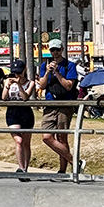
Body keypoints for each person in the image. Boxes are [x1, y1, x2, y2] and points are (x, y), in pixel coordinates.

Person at [38, 38, 81, 173]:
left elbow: (69, 86)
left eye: (57, 50)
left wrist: (57, 72)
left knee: (62, 138)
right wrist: (47, 72)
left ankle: (62, 170)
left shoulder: (70, 65)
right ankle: (74, 161)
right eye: (52, 50)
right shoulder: (44, 65)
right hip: (50, 104)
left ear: (62, 49)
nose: (55, 53)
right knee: (46, 137)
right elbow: (42, 85)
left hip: (65, 105)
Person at [2, 59, 36, 173]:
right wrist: (7, 86)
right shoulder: (7, 81)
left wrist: (19, 84)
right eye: (15, 73)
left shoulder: (30, 83)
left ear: (24, 71)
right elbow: (4, 98)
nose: (17, 75)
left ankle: (25, 169)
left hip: (25, 113)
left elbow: (25, 97)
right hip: (12, 112)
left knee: (26, 142)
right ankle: (20, 168)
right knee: (19, 141)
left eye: (19, 73)